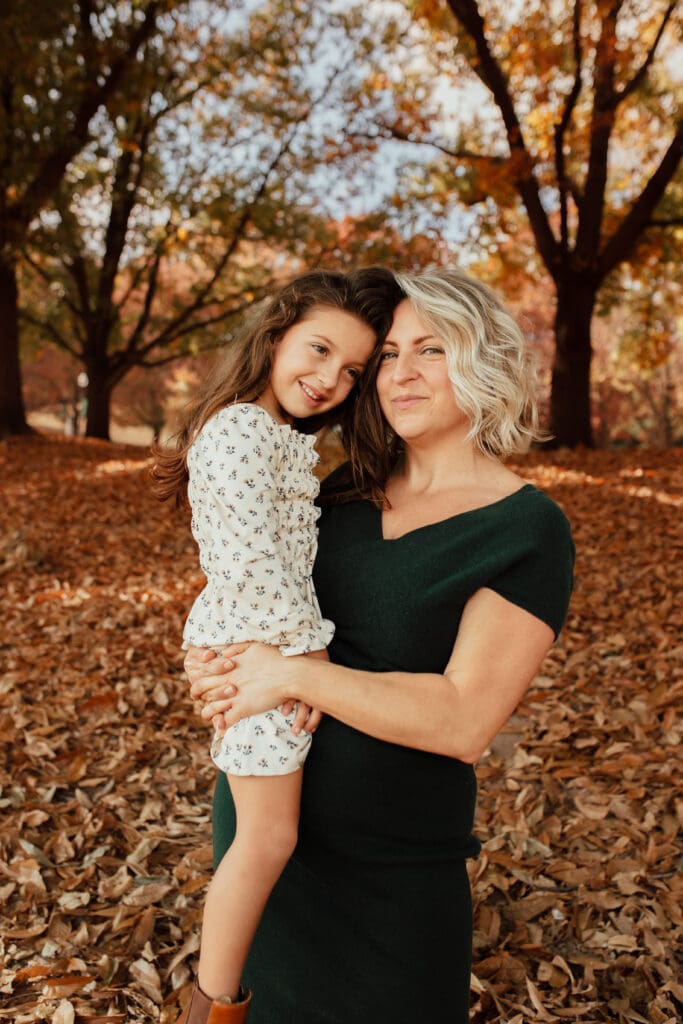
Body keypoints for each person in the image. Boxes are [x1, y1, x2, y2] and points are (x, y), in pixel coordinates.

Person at [184, 267, 575, 1024]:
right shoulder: (340, 494)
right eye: (388, 356)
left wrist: (288, 674)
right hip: (268, 850)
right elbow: (254, 600)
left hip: (393, 878)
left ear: (483, 359)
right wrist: (223, 668)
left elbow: (463, 719)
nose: (399, 374)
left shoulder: (524, 529)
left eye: (429, 350)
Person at [152, 268, 400, 1024]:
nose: (329, 379)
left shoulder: (274, 437)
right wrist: (309, 658)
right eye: (317, 349)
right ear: (276, 335)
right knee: (266, 836)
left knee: (267, 831)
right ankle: (213, 1008)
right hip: (260, 647)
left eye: (352, 370)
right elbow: (253, 563)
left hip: (267, 642)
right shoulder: (236, 433)